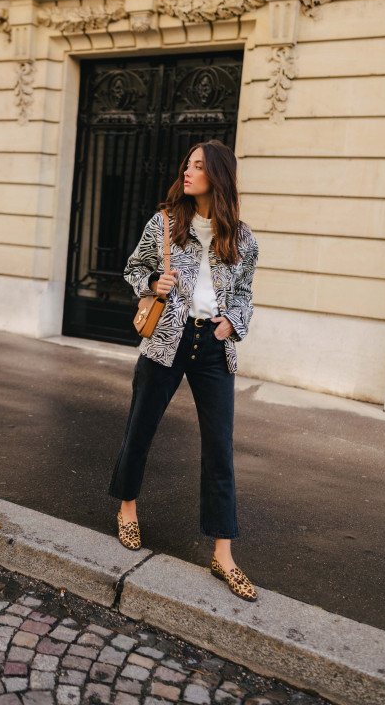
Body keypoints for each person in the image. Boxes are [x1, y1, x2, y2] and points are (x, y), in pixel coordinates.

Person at [107, 139, 259, 602]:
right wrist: (154, 282)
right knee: (141, 427)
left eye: (198, 166)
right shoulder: (166, 223)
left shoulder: (243, 239)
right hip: (168, 338)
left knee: (220, 449)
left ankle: (223, 553)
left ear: (219, 176)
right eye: (187, 165)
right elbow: (133, 269)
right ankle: (127, 509)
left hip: (213, 346)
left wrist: (232, 323)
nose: (187, 171)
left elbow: (245, 293)